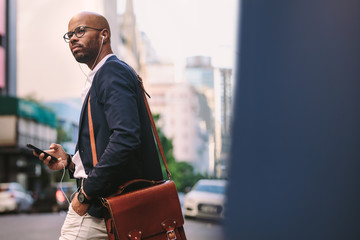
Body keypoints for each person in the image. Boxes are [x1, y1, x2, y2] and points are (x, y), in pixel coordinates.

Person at [34, 11, 163, 240]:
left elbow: (125, 138)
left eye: (81, 31)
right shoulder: (104, 75)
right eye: (70, 34)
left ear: (104, 35)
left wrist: (85, 194)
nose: (73, 38)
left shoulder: (111, 72)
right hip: (110, 204)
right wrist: (70, 162)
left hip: (102, 204)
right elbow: (107, 145)